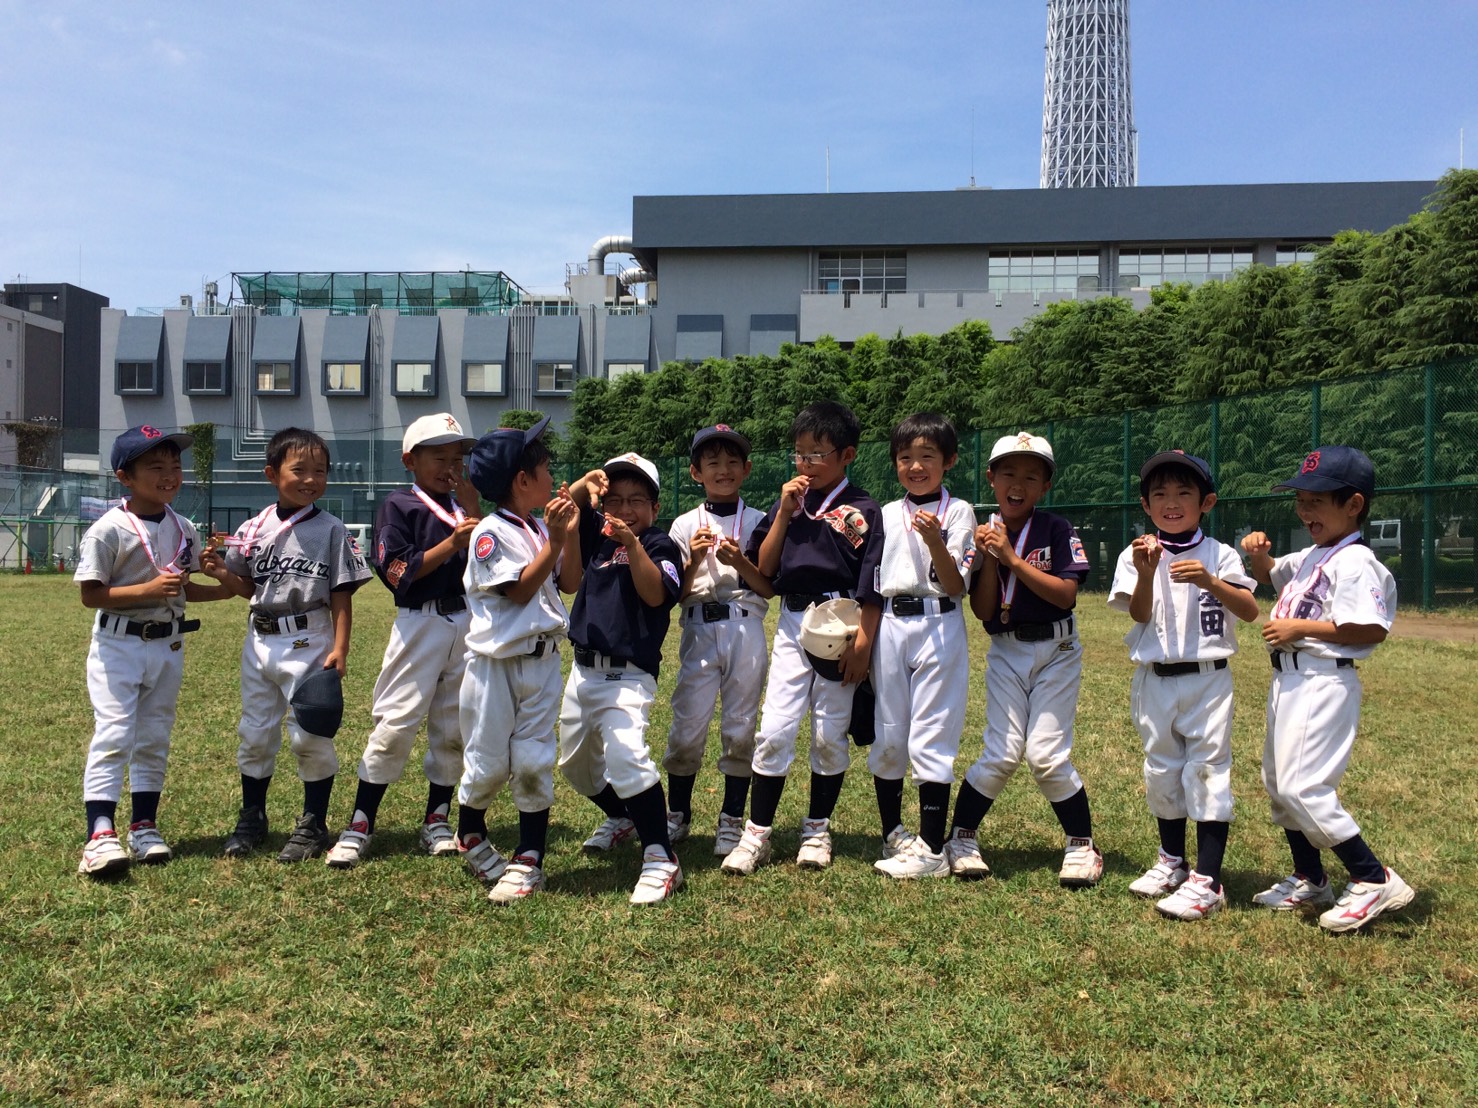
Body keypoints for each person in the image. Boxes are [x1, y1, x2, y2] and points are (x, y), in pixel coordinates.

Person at [1241, 445, 1414, 932]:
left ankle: (1373, 877)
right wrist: (1259, 555)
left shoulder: (1356, 561)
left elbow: (1371, 628)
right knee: (1280, 785)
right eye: (1300, 499)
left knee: (1304, 786)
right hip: (1290, 678)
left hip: (1323, 677)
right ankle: (1311, 878)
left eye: (1317, 500)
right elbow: (1270, 575)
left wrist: (1300, 628)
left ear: (1354, 504)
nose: (1305, 509)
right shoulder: (1317, 554)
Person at [722, 401, 886, 875]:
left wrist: (863, 645)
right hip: (795, 620)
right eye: (799, 453)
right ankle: (757, 834)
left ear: (847, 454)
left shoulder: (864, 508)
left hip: (841, 622)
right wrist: (784, 514)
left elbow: (872, 582)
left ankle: (816, 829)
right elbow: (765, 571)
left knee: (829, 731)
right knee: (774, 728)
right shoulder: (788, 503)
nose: (806, 463)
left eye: (817, 453)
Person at [73, 426, 234, 876]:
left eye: (175, 466)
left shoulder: (183, 528)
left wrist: (222, 588)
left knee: (155, 735)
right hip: (118, 644)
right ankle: (99, 834)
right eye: (156, 467)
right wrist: (146, 589)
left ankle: (144, 825)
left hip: (168, 643)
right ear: (125, 477)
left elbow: (181, 590)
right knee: (115, 734)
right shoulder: (108, 530)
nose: (169, 475)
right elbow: (90, 595)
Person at [326, 415, 482, 868]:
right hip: (421, 621)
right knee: (395, 722)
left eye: (457, 458)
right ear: (410, 460)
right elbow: (396, 571)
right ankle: (360, 822)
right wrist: (452, 543)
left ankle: (437, 818)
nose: (450, 467)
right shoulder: (399, 504)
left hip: (466, 620)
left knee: (453, 727)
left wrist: (475, 511)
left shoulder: (464, 507)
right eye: (439, 457)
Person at [1107, 451, 1258, 919]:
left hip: (1208, 678)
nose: (1171, 503)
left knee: (1208, 769)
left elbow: (1250, 610)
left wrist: (1212, 581)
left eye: (1183, 493)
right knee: (1162, 769)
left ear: (1206, 502)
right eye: (1160, 494)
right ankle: (1172, 860)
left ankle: (1208, 880)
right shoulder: (1136, 554)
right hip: (1154, 679)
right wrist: (1146, 571)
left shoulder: (1220, 554)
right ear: (1146, 505)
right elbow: (1137, 613)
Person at [210, 427, 373, 863]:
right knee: (255, 733)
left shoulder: (331, 528)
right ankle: (252, 816)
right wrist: (220, 573)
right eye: (299, 470)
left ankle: (314, 823)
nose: (310, 479)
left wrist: (341, 647)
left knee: (310, 734)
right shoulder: (252, 527)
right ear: (272, 474)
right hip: (260, 637)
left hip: (310, 636)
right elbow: (248, 587)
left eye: (320, 471)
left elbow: (341, 593)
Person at [947, 432, 1100, 887]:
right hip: (1007, 650)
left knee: (1047, 755)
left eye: (1032, 477)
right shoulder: (981, 535)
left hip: (1058, 651)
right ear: (991, 479)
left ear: (1045, 486)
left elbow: (1066, 595)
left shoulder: (1056, 528)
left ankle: (1082, 845)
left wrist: (1012, 558)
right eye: (1008, 473)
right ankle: (961, 838)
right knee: (1001, 751)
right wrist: (991, 559)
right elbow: (984, 611)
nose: (1018, 484)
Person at [455, 417, 581, 903]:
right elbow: (520, 590)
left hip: (542, 662)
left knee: (533, 761)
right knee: (487, 764)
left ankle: (529, 857)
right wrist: (555, 540)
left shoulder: (537, 527)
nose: (552, 474)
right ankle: (469, 830)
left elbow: (569, 582)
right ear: (523, 480)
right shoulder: (489, 532)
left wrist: (567, 535)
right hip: (497, 666)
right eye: (545, 467)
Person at [557, 452, 687, 904]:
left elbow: (655, 595)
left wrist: (633, 546)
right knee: (575, 767)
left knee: (627, 756)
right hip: (582, 671)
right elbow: (568, 508)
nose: (625, 509)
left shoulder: (659, 544)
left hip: (628, 675)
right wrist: (584, 484)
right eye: (615, 499)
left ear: (655, 507)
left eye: (637, 500)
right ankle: (624, 816)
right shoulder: (595, 534)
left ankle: (660, 856)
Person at [870, 413, 979, 880]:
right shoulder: (884, 513)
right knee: (889, 733)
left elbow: (955, 584)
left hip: (939, 621)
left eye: (927, 456)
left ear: (948, 460)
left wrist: (935, 540)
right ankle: (893, 833)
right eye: (905, 457)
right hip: (891, 622)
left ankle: (932, 848)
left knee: (931, 734)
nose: (915, 466)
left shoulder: (959, 511)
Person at [663, 425, 773, 856]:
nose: (723, 470)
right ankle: (678, 813)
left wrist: (739, 562)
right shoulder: (684, 524)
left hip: (745, 622)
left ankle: (731, 818)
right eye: (712, 463)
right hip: (698, 624)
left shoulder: (760, 520)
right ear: (696, 472)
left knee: (741, 725)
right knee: (687, 723)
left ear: (746, 469)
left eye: (732, 462)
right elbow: (675, 593)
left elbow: (767, 586)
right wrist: (693, 559)